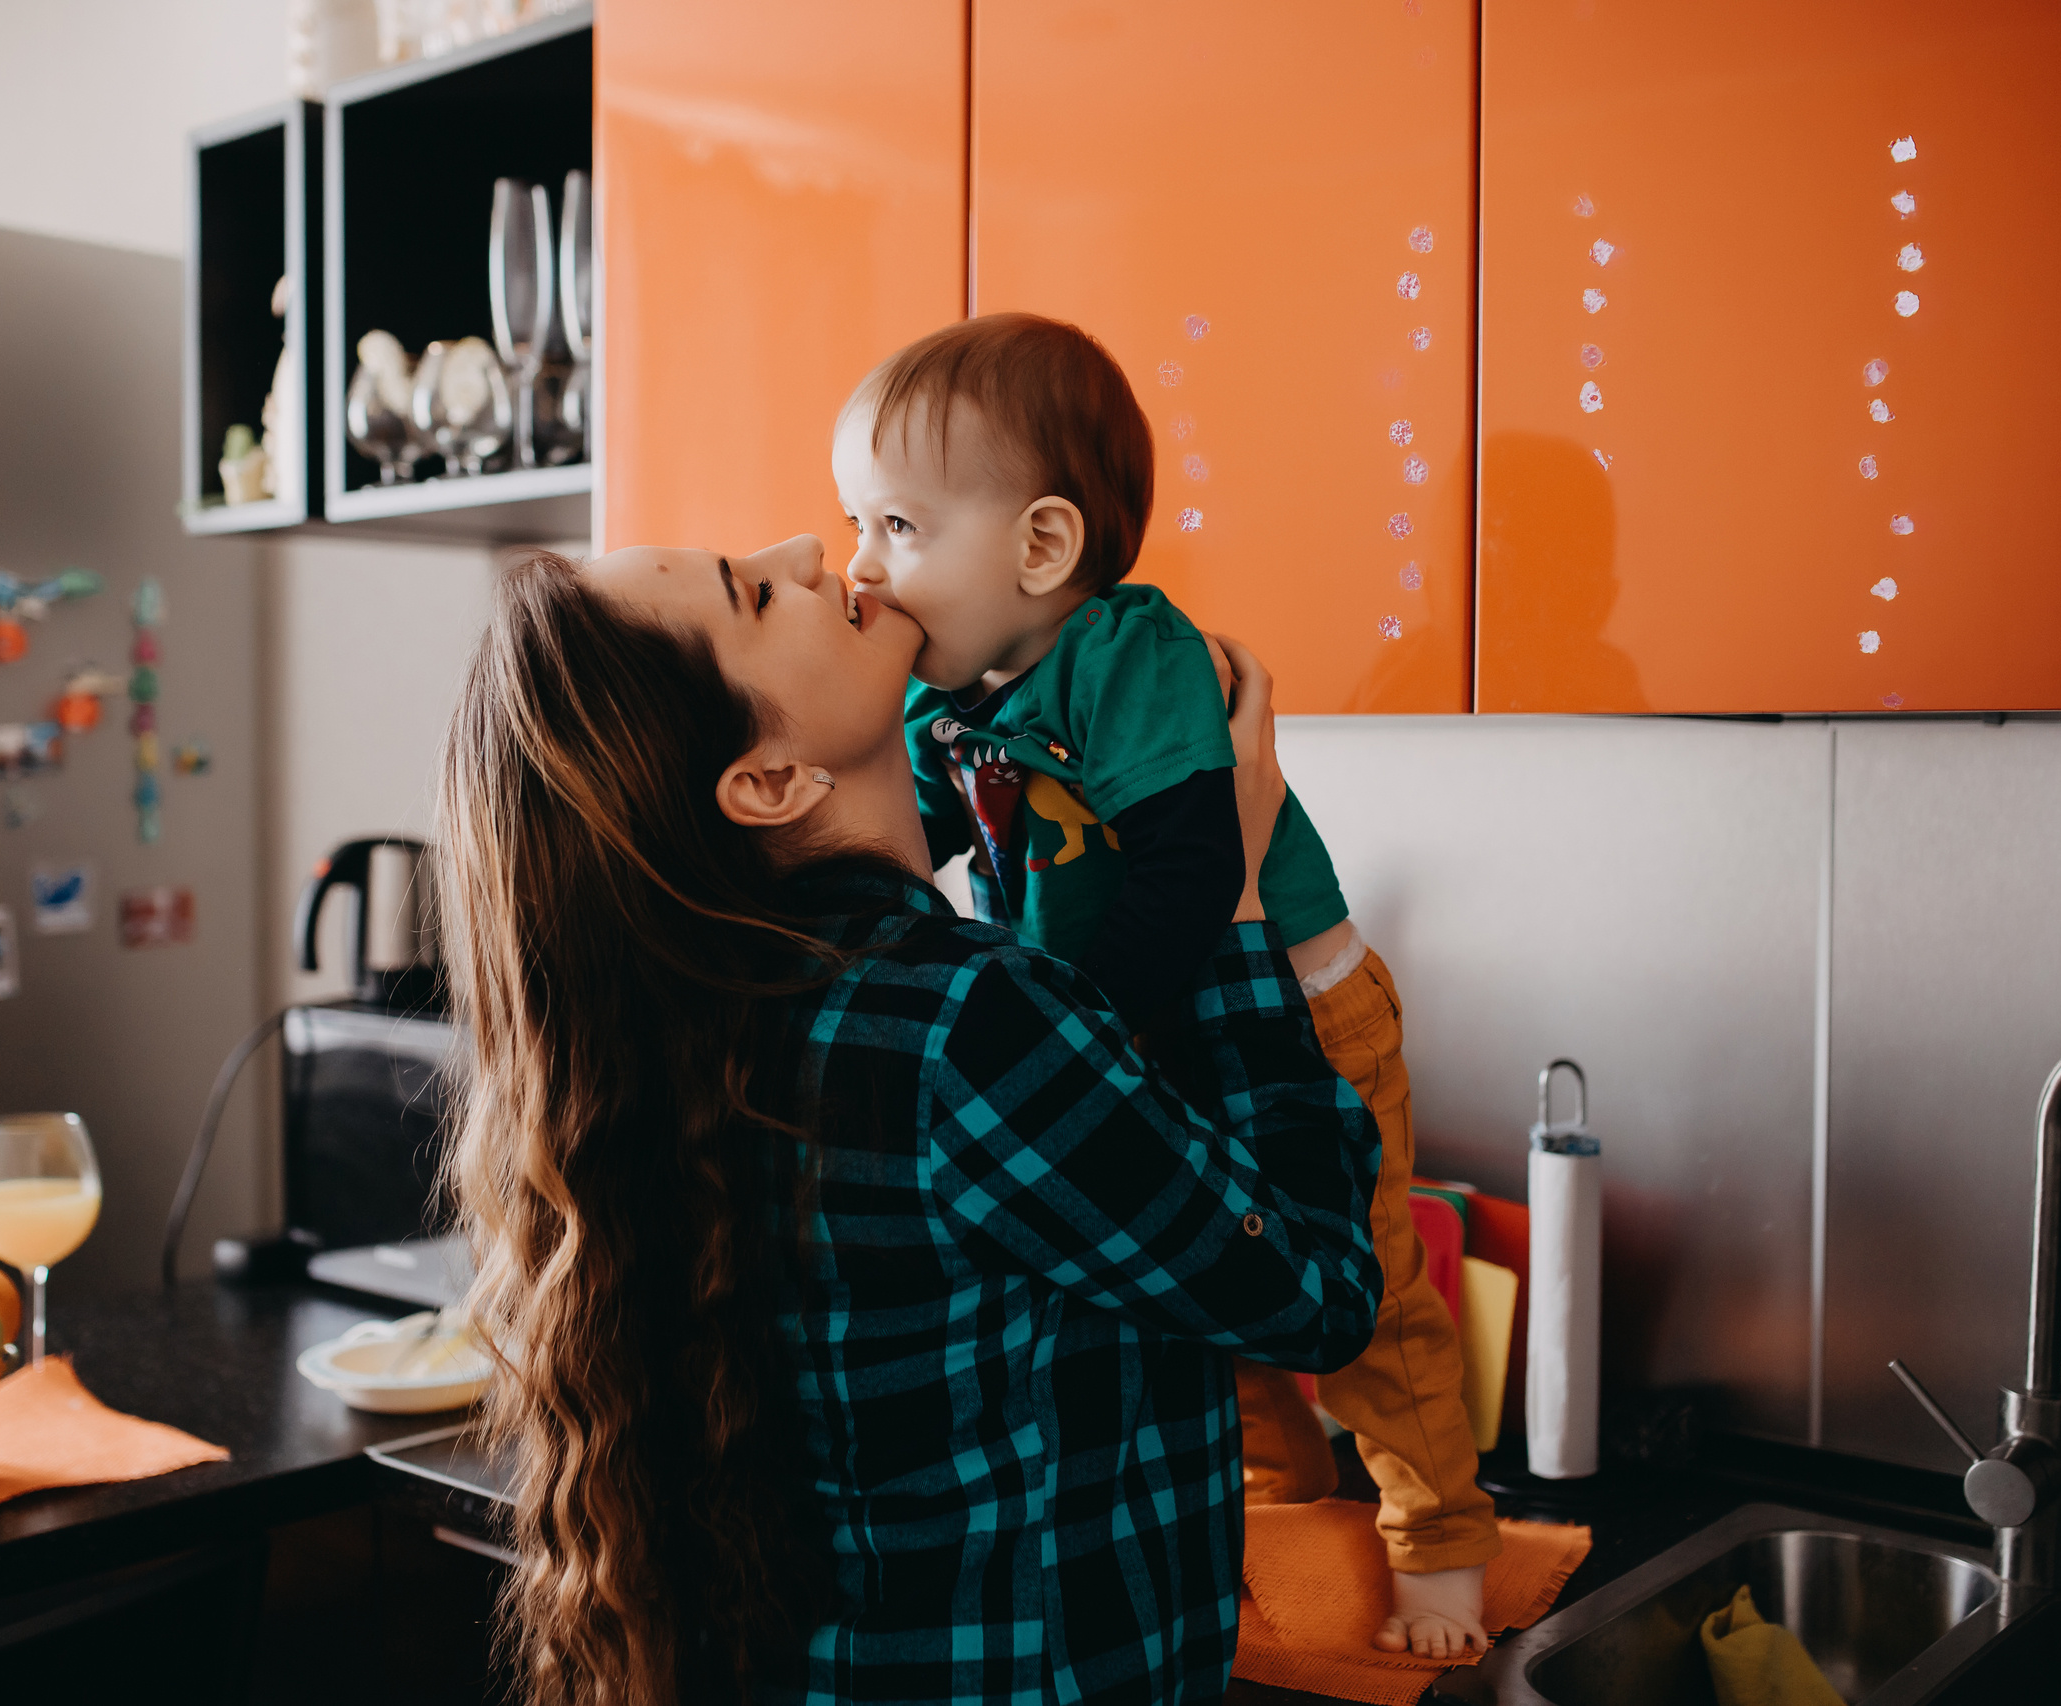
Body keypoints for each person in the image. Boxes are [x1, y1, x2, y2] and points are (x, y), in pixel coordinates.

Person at [436, 540, 1382, 1704]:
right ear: (770, 779)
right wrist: (1235, 896)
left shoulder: (710, 1036)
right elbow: (1319, 1289)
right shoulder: (970, 1023)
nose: (804, 547)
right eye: (757, 592)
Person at [832, 313, 1501, 1657]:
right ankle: (1278, 1491)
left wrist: (1062, 1030)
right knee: (1199, 1279)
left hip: (1290, 1002)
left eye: (897, 526)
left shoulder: (1135, 656)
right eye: (856, 523)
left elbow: (1198, 875)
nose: (863, 566)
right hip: (1135, 1017)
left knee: (1359, 1286)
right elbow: (907, 862)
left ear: (1042, 546)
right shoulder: (943, 698)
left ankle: (1441, 1541)